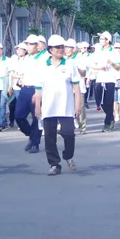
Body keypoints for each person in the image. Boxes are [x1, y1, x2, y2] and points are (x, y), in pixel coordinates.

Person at [35, 35, 82, 176]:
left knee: (69, 134)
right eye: (57, 47)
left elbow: (76, 87)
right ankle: (54, 164)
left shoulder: (69, 64)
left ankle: (68, 155)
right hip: (48, 108)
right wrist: (38, 105)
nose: (61, 50)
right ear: (50, 50)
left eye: (62, 47)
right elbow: (38, 88)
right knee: (49, 137)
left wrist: (78, 105)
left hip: (66, 107)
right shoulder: (43, 66)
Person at [93, 32, 119, 131]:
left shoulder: (114, 52)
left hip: (110, 79)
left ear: (108, 40)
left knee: (108, 102)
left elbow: (118, 67)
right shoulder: (98, 51)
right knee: (100, 102)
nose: (100, 41)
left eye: (102, 39)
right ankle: (111, 117)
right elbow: (93, 65)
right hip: (100, 78)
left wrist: (111, 63)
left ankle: (107, 123)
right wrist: (100, 67)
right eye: (99, 39)